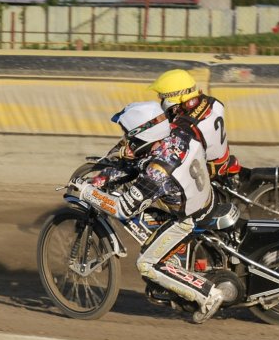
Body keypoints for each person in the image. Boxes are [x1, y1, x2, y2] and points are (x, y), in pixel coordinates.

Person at [77, 101, 238, 324]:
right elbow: (139, 163)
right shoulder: (178, 133)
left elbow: (122, 208)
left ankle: (208, 295)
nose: (127, 141)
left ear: (144, 135)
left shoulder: (157, 173)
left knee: (146, 264)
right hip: (204, 196)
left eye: (130, 136)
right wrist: (104, 177)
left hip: (187, 218)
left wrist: (87, 192)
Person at [148, 69, 240, 180]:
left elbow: (168, 148)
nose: (161, 101)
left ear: (171, 97)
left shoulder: (184, 125)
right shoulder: (209, 100)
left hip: (209, 171)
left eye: (162, 98)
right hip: (223, 157)